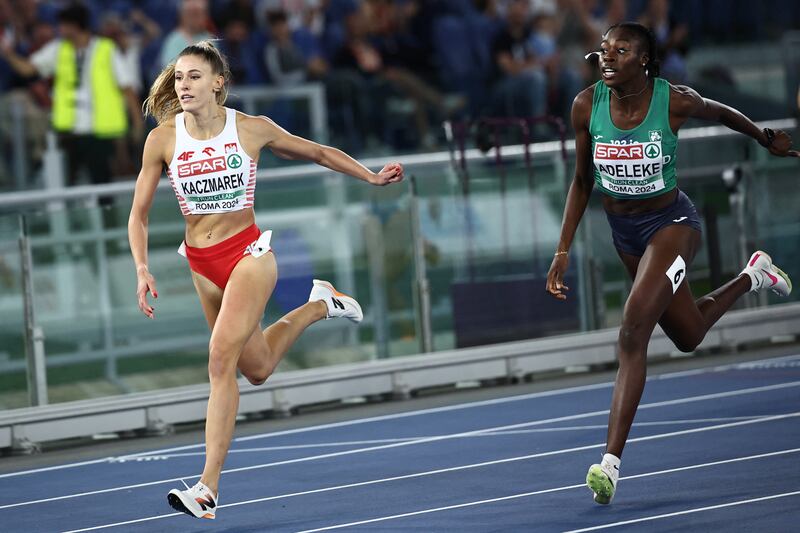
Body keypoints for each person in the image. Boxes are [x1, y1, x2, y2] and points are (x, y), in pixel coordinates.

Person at [128, 40, 403, 520]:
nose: (184, 85)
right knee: (254, 368)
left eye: (194, 76)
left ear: (218, 82)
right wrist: (141, 266)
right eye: (178, 78)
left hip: (249, 255)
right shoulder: (163, 140)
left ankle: (207, 489)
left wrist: (371, 177)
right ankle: (320, 304)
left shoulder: (250, 129)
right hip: (201, 262)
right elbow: (139, 215)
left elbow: (318, 152)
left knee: (219, 362)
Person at [545, 22, 796, 505]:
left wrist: (764, 136)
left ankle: (609, 465)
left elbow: (720, 111)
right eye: (603, 50)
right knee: (688, 335)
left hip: (673, 225)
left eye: (619, 51)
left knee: (632, 330)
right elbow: (581, 182)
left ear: (643, 59)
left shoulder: (673, 100)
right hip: (626, 236)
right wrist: (562, 250)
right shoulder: (586, 105)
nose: (607, 57)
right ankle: (753, 274)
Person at [0, 2, 143, 196]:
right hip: (68, 129)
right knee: (67, 186)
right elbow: (28, 69)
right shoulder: (58, 49)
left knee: (102, 185)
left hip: (99, 130)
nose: (59, 29)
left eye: (63, 24)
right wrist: (8, 54)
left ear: (74, 26)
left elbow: (127, 89)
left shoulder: (106, 49)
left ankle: (106, 223)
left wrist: (137, 123)